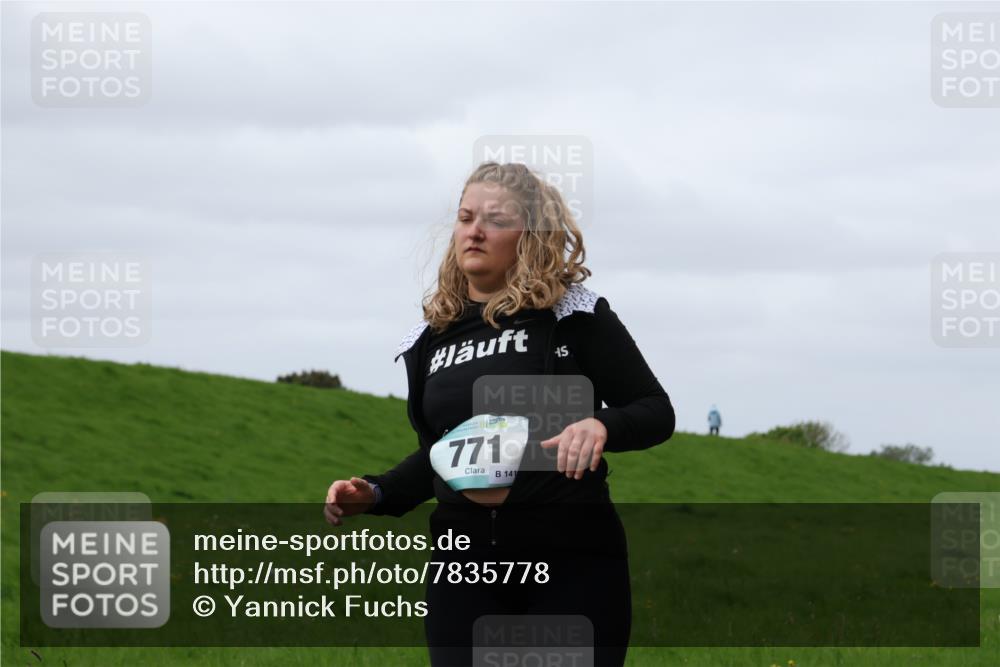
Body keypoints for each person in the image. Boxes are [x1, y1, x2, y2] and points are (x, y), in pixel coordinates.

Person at [324, 162, 675, 667]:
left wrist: (602, 424)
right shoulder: (429, 339)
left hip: (570, 561)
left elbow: (654, 411)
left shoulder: (571, 314)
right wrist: (376, 492)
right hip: (463, 569)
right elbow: (442, 452)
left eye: (495, 219)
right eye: (466, 217)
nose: (475, 230)